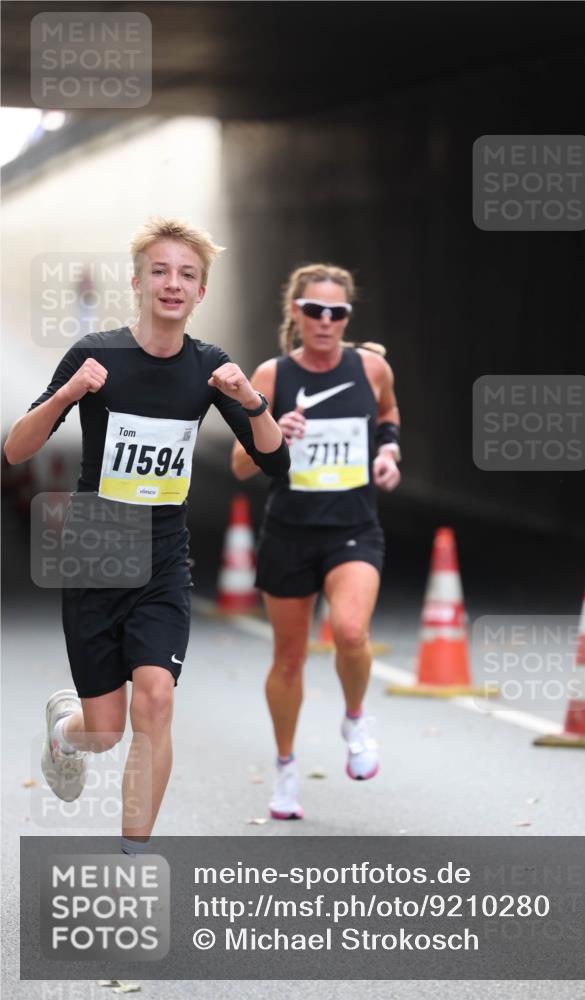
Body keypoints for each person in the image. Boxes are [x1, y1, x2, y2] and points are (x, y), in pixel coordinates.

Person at [4, 218, 289, 852]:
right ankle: (65, 732)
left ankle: (133, 857)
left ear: (201, 292)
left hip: (163, 557)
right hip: (96, 550)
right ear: (137, 282)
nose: (172, 283)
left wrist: (252, 400)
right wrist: (69, 394)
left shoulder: (211, 368)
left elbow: (275, 462)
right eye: (160, 271)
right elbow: (18, 447)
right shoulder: (96, 355)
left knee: (155, 701)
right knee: (103, 731)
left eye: (187, 274)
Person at [231, 263, 401, 819]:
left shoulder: (370, 367)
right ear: (296, 313)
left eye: (338, 313)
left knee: (351, 631)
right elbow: (239, 464)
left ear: (348, 318)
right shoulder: (274, 374)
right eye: (315, 311)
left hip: (354, 527)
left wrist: (387, 452)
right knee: (289, 658)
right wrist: (274, 430)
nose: (325, 321)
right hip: (290, 533)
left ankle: (355, 719)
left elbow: (389, 414)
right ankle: (285, 771)